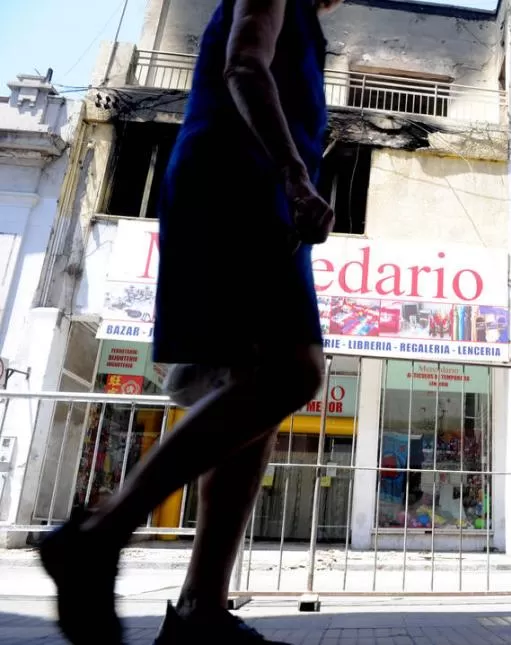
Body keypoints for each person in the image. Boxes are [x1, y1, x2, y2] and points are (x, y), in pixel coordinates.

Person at [39, 1, 344, 643]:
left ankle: (202, 609)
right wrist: (293, 174)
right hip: (238, 189)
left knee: (254, 394)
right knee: (294, 371)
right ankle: (99, 535)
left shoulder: (313, 26)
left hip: (257, 198)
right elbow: (243, 65)